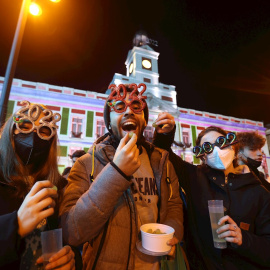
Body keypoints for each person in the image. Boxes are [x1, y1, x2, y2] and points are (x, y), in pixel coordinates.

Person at [60, 84, 185, 270]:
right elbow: (72, 231)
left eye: (136, 106)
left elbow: (174, 207)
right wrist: (117, 171)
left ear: (144, 120)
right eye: (119, 107)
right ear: (108, 122)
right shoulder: (87, 164)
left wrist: (171, 233)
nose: (128, 112)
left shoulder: (162, 163)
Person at [153, 113, 270, 270]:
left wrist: (244, 239)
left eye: (222, 143)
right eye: (207, 147)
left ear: (234, 147)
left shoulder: (258, 191)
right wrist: (166, 133)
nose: (217, 150)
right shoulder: (194, 177)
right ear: (202, 157)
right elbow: (163, 154)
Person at [0, 101, 76, 270]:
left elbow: (62, 240)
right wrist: (16, 224)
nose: (33, 137)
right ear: (10, 131)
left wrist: (71, 259)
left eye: (43, 131)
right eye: (25, 127)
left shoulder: (56, 188)